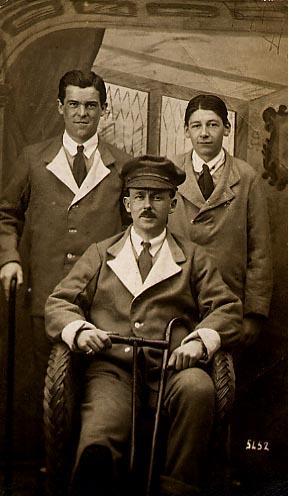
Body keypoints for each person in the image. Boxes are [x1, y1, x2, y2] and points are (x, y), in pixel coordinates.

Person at [45, 155, 242, 495]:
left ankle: (177, 487)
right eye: (139, 196)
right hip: (113, 369)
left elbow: (227, 308)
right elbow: (59, 303)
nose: (147, 205)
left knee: (198, 389)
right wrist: (80, 331)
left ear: (173, 203)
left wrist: (199, 341)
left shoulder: (193, 257)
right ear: (127, 203)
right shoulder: (101, 253)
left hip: (173, 369)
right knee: (102, 424)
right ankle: (96, 479)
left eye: (158, 196)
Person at [0, 69, 130, 464]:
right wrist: (10, 258)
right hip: (44, 294)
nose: (81, 114)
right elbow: (6, 214)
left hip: (99, 298)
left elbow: (132, 230)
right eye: (73, 104)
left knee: (94, 384)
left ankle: (85, 468)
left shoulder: (121, 165)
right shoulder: (33, 158)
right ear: (60, 108)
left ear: (104, 110)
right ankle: (45, 470)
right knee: (45, 383)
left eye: (91, 106)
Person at [167, 94, 272, 347]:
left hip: (227, 301)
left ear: (227, 129)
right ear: (185, 130)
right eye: (196, 125)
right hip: (175, 297)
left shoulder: (246, 177)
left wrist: (253, 312)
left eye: (212, 124)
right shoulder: (169, 172)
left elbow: (260, 251)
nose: (204, 133)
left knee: (224, 377)